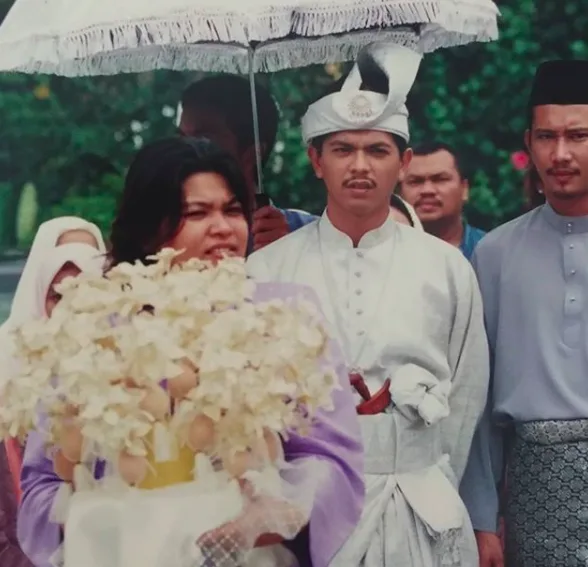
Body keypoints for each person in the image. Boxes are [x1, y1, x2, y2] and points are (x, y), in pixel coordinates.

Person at [17, 137, 364, 567]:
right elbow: (41, 483)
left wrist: (264, 519)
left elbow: (331, 460)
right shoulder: (95, 327)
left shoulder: (285, 315)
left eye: (232, 210)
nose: (223, 228)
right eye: (196, 213)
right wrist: (102, 522)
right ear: (148, 227)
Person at [247, 43, 489, 566]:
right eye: (343, 150)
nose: (360, 166)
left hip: (421, 504)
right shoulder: (266, 270)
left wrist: (427, 471)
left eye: (378, 150)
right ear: (316, 160)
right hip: (305, 513)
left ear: (403, 163)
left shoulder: (446, 268)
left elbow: (467, 394)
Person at [460, 59, 588, 567]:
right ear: (528, 144)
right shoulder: (495, 253)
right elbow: (477, 400)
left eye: (578, 136)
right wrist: (482, 519)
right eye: (547, 137)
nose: (561, 154)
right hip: (537, 493)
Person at [178, 75, 317, 251]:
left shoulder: (310, 236)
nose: (185, 149)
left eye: (202, 139)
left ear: (252, 154)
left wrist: (292, 257)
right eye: (181, 137)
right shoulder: (162, 234)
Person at [399, 142, 486, 259]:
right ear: (399, 192)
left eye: (440, 179)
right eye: (415, 181)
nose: (427, 190)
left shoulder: (492, 252)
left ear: (464, 189)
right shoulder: (383, 253)